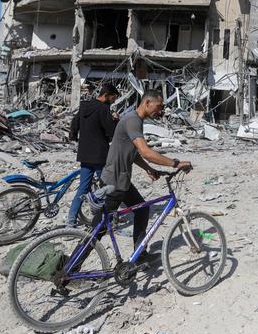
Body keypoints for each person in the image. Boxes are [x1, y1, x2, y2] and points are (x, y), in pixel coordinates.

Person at [94, 89, 191, 263]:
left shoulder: (134, 120)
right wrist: (175, 163)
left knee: (143, 209)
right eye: (158, 106)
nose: (160, 111)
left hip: (121, 181)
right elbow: (146, 151)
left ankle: (139, 254)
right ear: (147, 103)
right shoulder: (133, 120)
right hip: (114, 183)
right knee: (97, 231)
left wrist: (147, 169)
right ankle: (68, 272)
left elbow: (135, 152)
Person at [67, 84, 120, 227]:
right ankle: (108, 220)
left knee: (83, 188)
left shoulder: (85, 106)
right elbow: (111, 132)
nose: (114, 101)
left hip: (84, 154)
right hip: (100, 156)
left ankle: (70, 222)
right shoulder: (103, 109)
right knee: (109, 187)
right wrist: (115, 120)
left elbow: (74, 124)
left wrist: (75, 136)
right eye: (113, 98)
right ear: (108, 95)